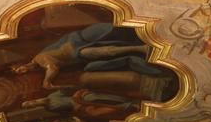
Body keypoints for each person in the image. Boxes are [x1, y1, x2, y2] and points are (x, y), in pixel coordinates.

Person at [11, 23, 161, 89]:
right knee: (93, 62)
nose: (22, 71)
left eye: (20, 69)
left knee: (88, 52)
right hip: (76, 54)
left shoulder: (39, 59)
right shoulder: (39, 66)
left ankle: (140, 48)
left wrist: (47, 81)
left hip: (76, 45)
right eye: (20, 73)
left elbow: (52, 67)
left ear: (22, 65)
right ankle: (137, 52)